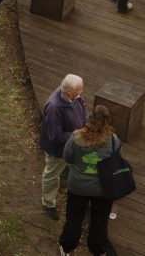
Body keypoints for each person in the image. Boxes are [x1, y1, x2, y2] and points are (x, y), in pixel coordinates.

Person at [58, 105, 121, 256]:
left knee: (74, 218)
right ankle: (97, 250)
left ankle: (67, 248)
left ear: (90, 117)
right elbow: (118, 162)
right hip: (103, 189)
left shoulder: (76, 137)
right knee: (99, 220)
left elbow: (67, 157)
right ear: (108, 121)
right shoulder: (113, 141)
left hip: (78, 186)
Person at [39, 74, 88, 220]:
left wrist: (86, 124)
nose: (82, 91)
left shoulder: (76, 96)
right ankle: (48, 203)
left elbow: (84, 110)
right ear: (68, 92)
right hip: (58, 151)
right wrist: (77, 134)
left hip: (75, 145)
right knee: (52, 175)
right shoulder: (54, 108)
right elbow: (55, 136)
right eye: (79, 89)